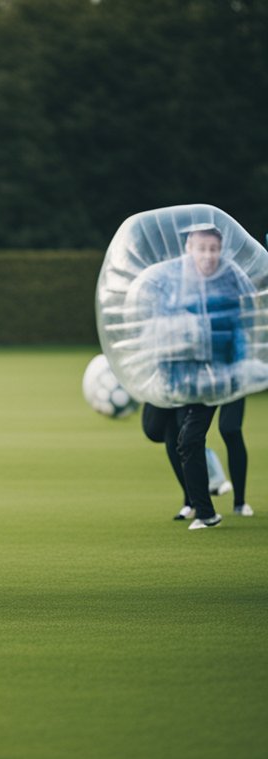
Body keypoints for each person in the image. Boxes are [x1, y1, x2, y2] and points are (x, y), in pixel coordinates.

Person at [132, 224, 254, 530]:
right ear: (189, 249)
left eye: (213, 249)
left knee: (190, 437)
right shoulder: (172, 279)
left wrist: (237, 367)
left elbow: (238, 329)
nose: (208, 255)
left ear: (220, 250)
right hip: (175, 372)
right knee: (156, 430)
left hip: (212, 375)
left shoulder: (229, 281)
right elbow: (157, 323)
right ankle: (196, 495)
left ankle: (205, 511)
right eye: (202, 249)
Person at [142, 399, 252, 520]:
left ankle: (239, 503)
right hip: (189, 383)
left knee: (229, 429)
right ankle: (193, 500)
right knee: (158, 429)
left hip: (228, 382)